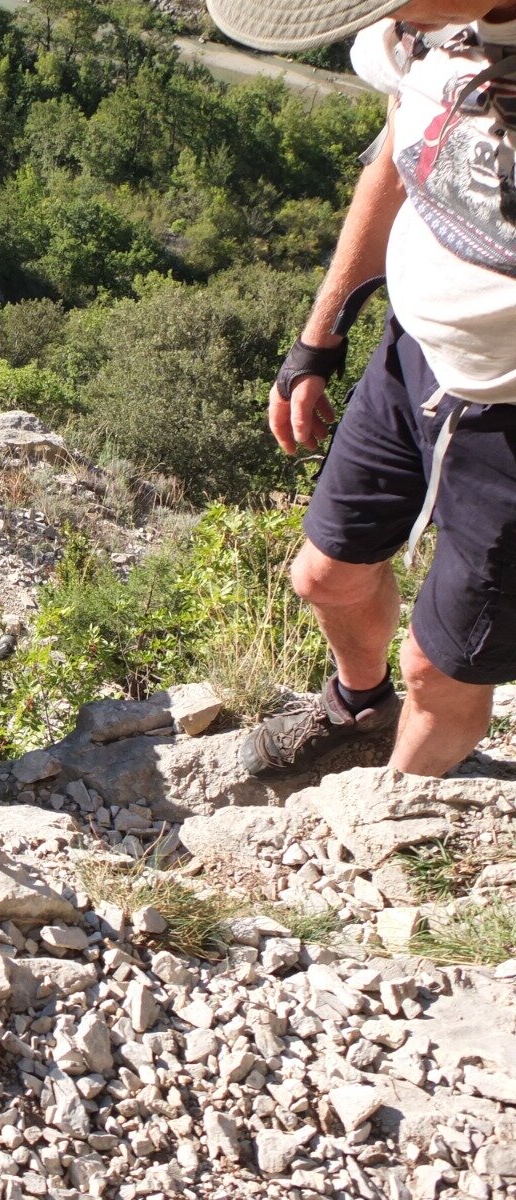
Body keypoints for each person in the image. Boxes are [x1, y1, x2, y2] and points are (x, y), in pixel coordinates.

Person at [206, 0, 516, 777]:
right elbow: (395, 161)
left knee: (436, 671)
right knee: (325, 576)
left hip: (508, 416)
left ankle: (384, 826)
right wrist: (321, 336)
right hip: (413, 351)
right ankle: (360, 708)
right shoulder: (425, 32)